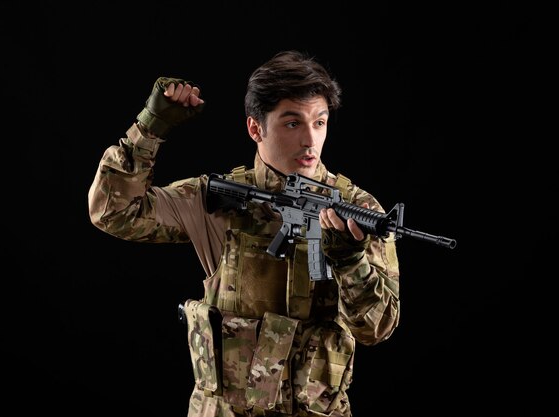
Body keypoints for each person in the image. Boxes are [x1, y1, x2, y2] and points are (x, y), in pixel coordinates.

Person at [88, 50, 400, 417]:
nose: (309, 140)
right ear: (255, 128)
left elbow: (377, 329)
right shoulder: (219, 199)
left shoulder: (357, 211)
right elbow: (113, 212)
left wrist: (351, 262)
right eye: (292, 123)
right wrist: (150, 128)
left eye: (319, 122)